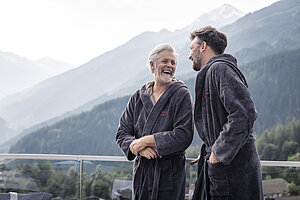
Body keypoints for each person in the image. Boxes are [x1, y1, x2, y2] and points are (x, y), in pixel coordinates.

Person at [189, 26, 263, 200]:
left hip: (233, 168)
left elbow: (245, 113)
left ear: (203, 46)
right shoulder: (215, 71)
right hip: (225, 165)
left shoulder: (219, 69)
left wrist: (218, 152)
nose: (189, 55)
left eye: (191, 49)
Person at [116, 43, 194, 200]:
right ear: (152, 65)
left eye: (173, 62)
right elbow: (122, 132)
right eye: (165, 61)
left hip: (169, 176)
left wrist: (145, 140)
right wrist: (138, 148)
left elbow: (184, 135)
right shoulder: (138, 96)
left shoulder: (181, 95)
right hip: (142, 175)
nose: (169, 66)